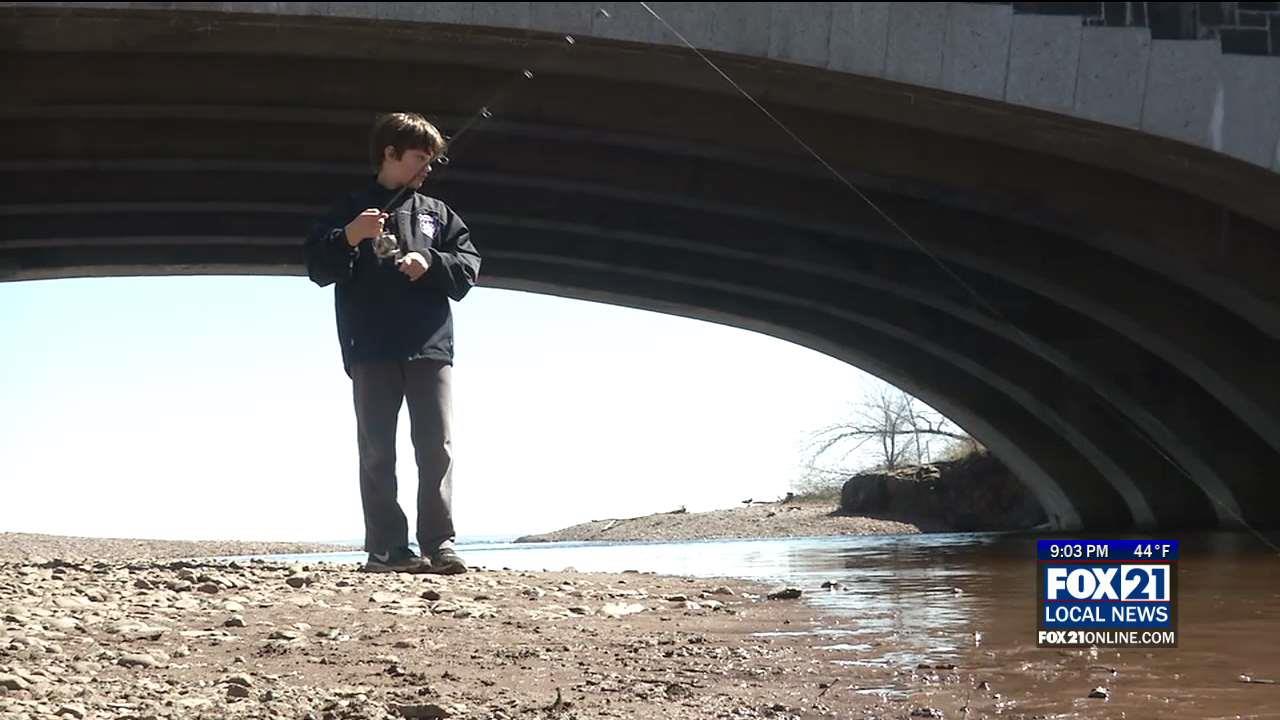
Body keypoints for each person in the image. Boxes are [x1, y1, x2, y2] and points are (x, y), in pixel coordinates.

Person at [303, 112, 481, 574]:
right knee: (377, 449)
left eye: (432, 160)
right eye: (421, 158)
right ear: (390, 154)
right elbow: (319, 268)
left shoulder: (439, 214)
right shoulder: (350, 207)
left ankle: (440, 545)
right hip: (370, 348)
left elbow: (466, 270)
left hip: (430, 347)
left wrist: (432, 261)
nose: (428, 168)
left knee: (435, 447)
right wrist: (349, 236)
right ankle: (386, 549)